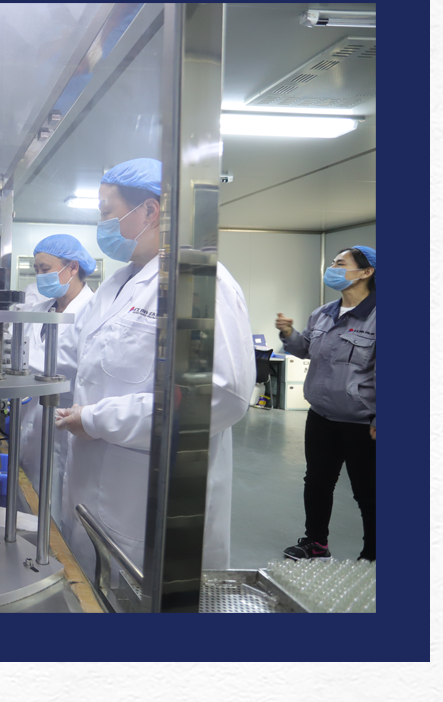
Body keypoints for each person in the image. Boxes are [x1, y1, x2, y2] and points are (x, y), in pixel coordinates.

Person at [53, 158, 255, 581]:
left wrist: (98, 419)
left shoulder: (198, 281)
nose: (101, 224)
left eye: (107, 211)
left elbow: (218, 395)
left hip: (147, 505)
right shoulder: (116, 284)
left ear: (149, 211)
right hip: (93, 492)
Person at [276, 246, 377, 562]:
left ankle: (373, 553)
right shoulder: (322, 313)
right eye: (332, 262)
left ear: (366, 272)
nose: (332, 268)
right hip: (321, 416)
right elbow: (305, 349)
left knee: (368, 490)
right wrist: (289, 334)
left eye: (340, 263)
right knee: (317, 482)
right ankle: (316, 543)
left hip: (363, 422)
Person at [16, 234, 98, 523]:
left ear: (73, 267)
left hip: (65, 421)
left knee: (55, 506)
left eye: (46, 269)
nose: (40, 276)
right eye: (36, 270)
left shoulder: (93, 311)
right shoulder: (41, 308)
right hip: (30, 417)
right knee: (27, 502)